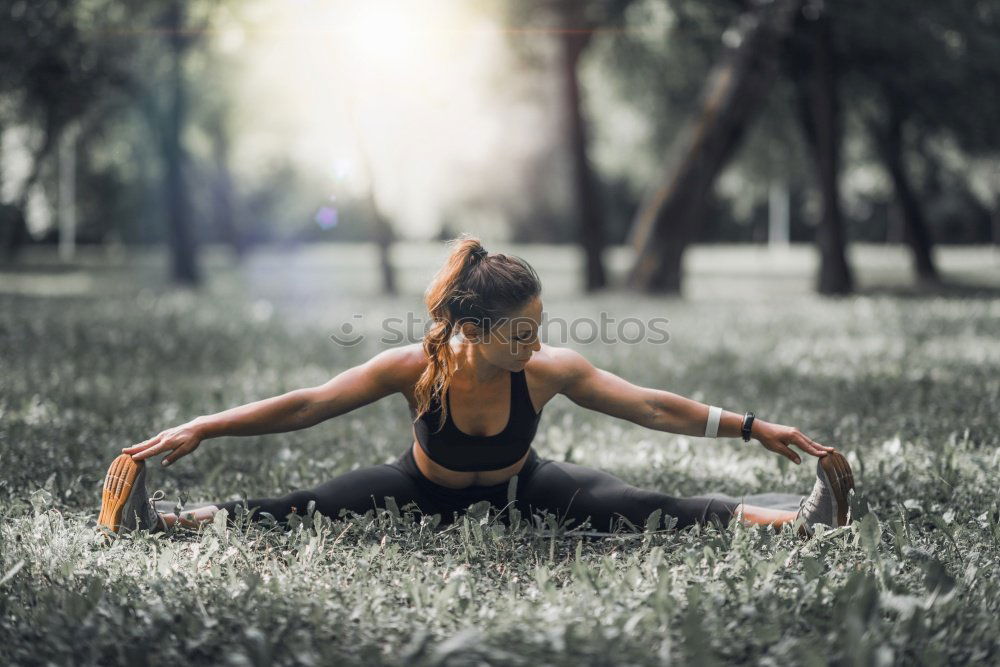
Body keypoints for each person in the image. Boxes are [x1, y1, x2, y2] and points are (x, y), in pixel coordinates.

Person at [98, 236, 854, 540]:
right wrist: (204, 424)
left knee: (643, 505)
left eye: (539, 327)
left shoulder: (549, 369)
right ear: (471, 328)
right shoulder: (415, 367)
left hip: (524, 487)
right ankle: (159, 522)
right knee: (299, 507)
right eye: (518, 333)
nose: (534, 344)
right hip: (419, 488)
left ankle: (801, 521)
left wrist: (755, 426)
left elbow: (653, 404)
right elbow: (309, 403)